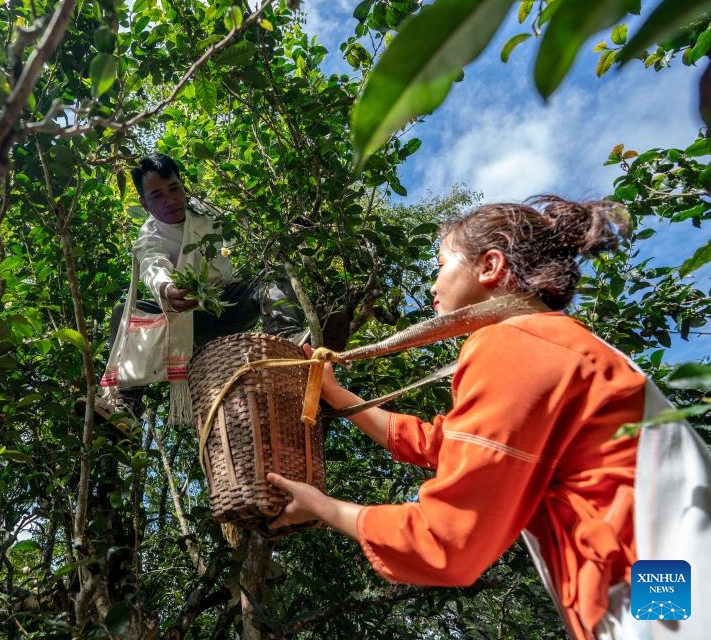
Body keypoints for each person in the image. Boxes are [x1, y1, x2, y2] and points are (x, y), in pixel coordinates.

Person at [267, 196, 644, 640]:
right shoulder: (558, 343)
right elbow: (440, 445)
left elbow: (448, 542)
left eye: (441, 265)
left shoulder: (515, 345)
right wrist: (334, 392)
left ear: (490, 266)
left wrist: (323, 507)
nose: (433, 285)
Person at [87, 153, 319, 430]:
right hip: (184, 318)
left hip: (228, 305)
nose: (170, 200)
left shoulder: (206, 210)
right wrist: (167, 288)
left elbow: (244, 223)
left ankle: (286, 341)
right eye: (157, 195)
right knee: (125, 314)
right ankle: (126, 404)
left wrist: (283, 219)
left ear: (183, 187)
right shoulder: (149, 235)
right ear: (144, 204)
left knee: (270, 274)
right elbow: (152, 264)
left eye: (174, 189)